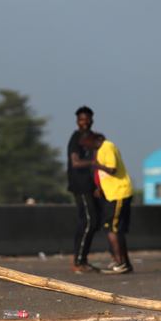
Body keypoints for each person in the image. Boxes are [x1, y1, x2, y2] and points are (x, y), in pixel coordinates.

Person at [83, 132, 133, 274]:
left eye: (89, 143)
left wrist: (96, 164)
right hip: (113, 193)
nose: (88, 147)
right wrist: (99, 187)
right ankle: (125, 263)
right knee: (117, 229)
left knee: (111, 229)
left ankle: (120, 263)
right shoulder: (101, 150)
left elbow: (112, 168)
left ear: (95, 140)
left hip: (118, 193)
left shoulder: (107, 146)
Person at [66, 106, 101, 274]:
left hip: (91, 186)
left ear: (91, 120)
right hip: (80, 186)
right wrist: (96, 164)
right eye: (81, 119)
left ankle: (82, 260)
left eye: (87, 119)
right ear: (77, 121)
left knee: (90, 222)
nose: (84, 122)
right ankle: (79, 261)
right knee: (89, 221)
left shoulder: (94, 138)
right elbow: (76, 162)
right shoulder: (76, 138)